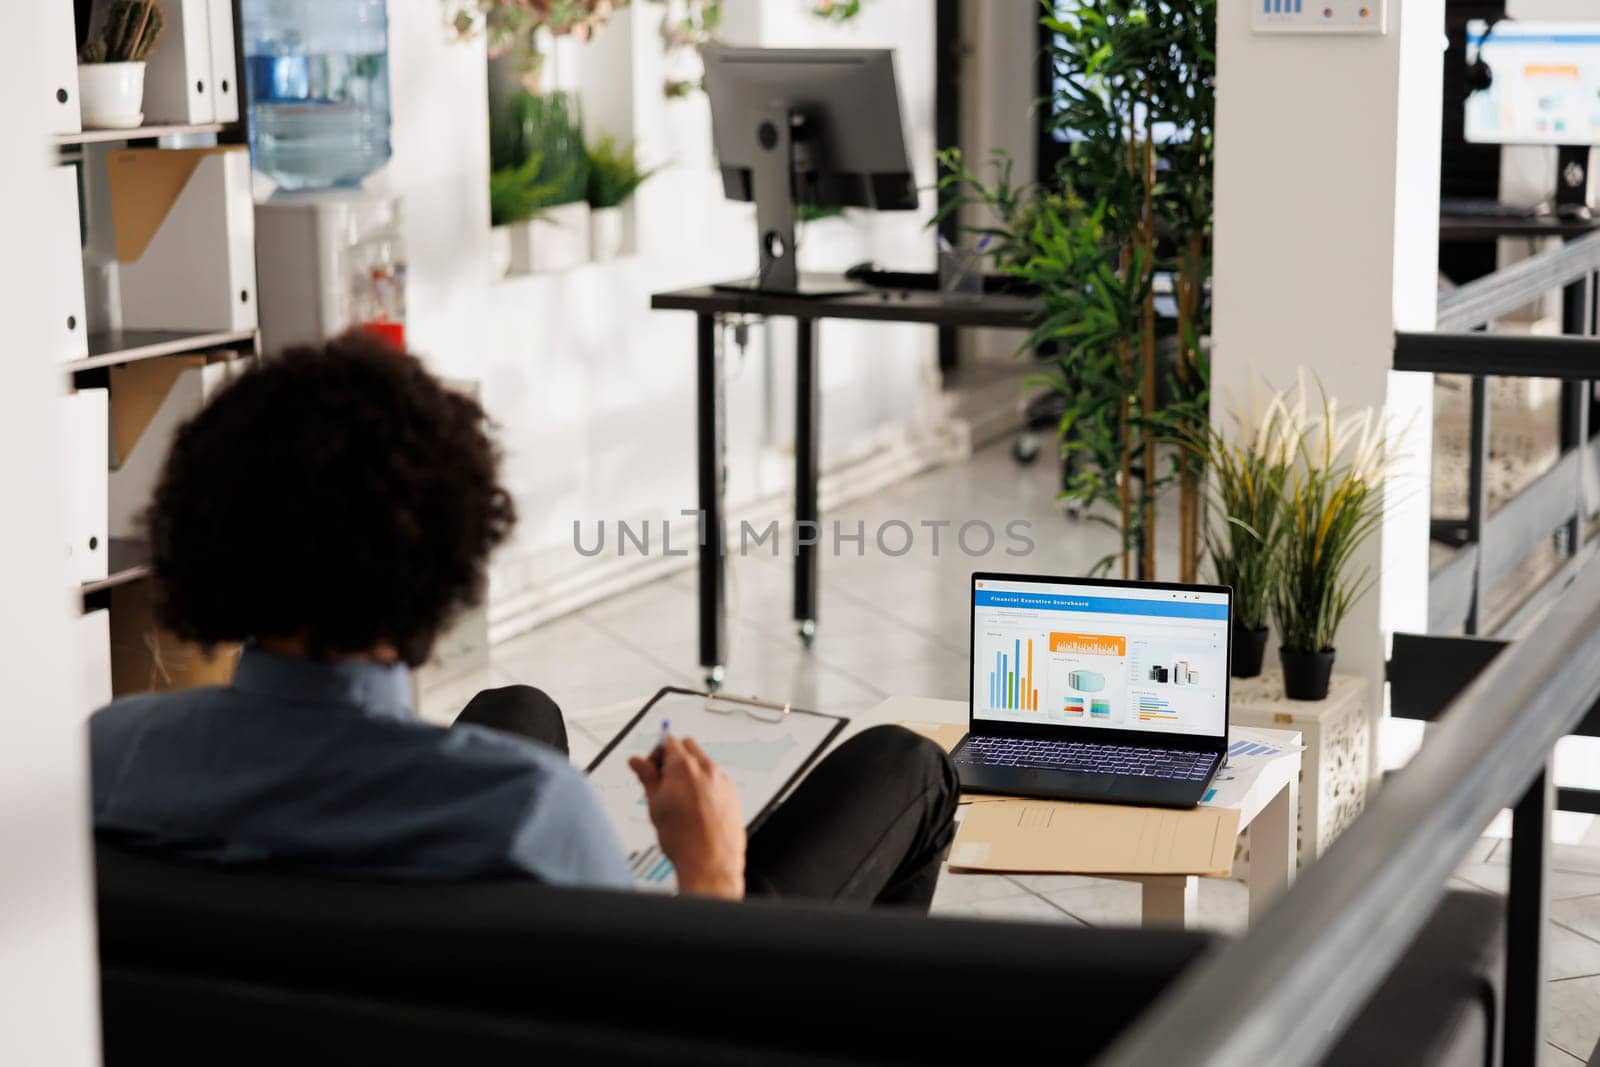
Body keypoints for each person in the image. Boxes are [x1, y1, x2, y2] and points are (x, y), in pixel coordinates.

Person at [90, 333, 958, 907]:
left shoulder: (107, 756)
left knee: (521, 708)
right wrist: (711, 866)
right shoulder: (531, 814)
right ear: (444, 554)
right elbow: (667, 1025)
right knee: (907, 765)